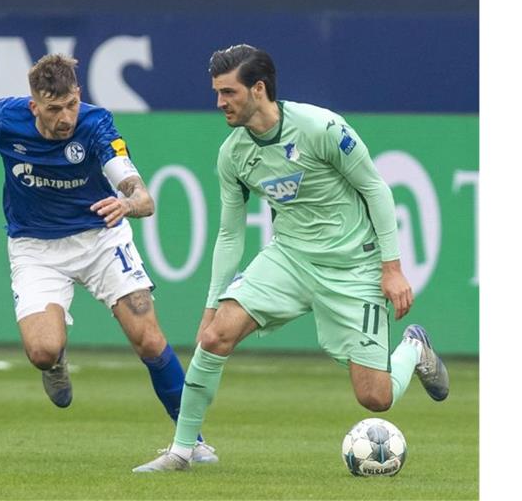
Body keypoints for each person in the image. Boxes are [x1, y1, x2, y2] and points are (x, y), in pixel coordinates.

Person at [0, 54, 217, 463]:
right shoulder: (1, 118)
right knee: (42, 351)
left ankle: (192, 442)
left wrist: (132, 203)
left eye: (71, 104)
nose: (65, 117)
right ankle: (56, 362)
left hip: (99, 238)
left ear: (78, 95)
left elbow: (135, 186)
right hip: (35, 247)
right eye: (54, 109)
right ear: (34, 105)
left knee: (149, 338)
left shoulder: (96, 123)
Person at [132, 44, 449, 472]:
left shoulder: (321, 128)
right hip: (288, 259)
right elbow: (230, 232)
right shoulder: (234, 154)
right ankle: (183, 450)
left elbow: (377, 189)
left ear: (258, 88)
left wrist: (391, 269)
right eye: (217, 92)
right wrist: (211, 305)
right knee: (214, 337)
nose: (219, 103)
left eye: (228, 93)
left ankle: (415, 347)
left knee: (376, 397)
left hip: (353, 267)